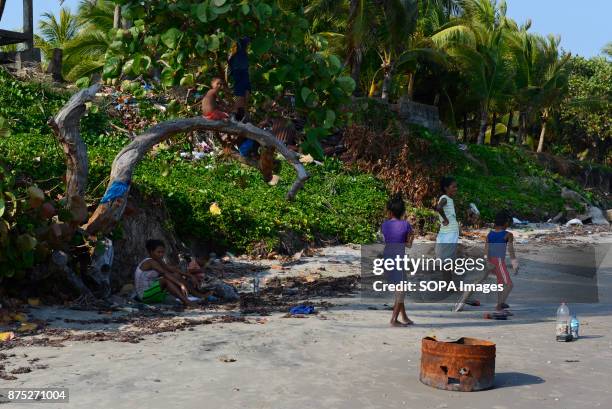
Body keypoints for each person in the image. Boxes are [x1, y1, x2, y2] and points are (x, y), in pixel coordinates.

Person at [453, 211, 519, 313]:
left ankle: (461, 302)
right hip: (498, 262)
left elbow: (486, 251)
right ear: (506, 223)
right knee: (508, 285)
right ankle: (499, 307)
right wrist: (515, 264)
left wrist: (486, 261)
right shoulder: (508, 235)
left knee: (478, 282)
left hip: (488, 261)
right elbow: (511, 251)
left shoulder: (490, 235)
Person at [134, 240, 202, 307]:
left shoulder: (158, 260)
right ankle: (186, 301)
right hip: (144, 296)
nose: (161, 254)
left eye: (162, 252)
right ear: (151, 252)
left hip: (154, 293)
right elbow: (165, 273)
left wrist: (190, 275)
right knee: (165, 280)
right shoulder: (150, 262)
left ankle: (196, 294)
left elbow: (170, 269)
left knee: (176, 275)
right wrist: (181, 284)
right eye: (158, 252)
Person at [381, 194, 415, 327]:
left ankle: (404, 317)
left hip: (387, 256)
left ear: (389, 212)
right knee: (401, 290)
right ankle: (394, 320)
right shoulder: (406, 225)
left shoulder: (384, 225)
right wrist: (412, 238)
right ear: (403, 212)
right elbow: (408, 245)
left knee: (399, 289)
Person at [435, 176, 460, 283]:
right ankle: (448, 285)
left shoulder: (448, 199)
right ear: (446, 188)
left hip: (449, 232)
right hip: (449, 233)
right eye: (453, 187)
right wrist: (445, 219)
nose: (456, 189)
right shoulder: (444, 198)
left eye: (456, 187)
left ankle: (448, 284)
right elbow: (439, 208)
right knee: (447, 261)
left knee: (447, 260)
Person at [228, 36, 252, 122]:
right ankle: (235, 114)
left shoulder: (238, 42)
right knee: (243, 92)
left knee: (245, 91)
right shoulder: (238, 40)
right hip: (239, 68)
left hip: (240, 68)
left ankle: (237, 114)